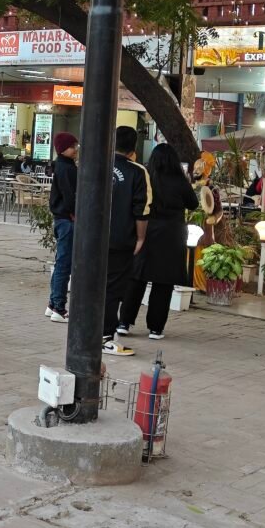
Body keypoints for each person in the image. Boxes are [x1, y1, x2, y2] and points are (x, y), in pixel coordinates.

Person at [118, 143, 199, 340]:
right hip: (172, 235)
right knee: (164, 282)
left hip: (146, 231)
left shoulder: (145, 176)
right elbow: (193, 203)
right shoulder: (180, 181)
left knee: (137, 278)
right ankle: (155, 328)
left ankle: (124, 322)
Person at [102, 126, 153, 357]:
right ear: (134, 147)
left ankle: (86, 331)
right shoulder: (137, 171)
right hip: (121, 238)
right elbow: (142, 209)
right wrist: (141, 238)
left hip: (91, 238)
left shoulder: (96, 163)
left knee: (92, 284)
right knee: (113, 288)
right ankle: (104, 337)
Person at [46, 132, 79, 323]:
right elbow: (70, 195)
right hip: (67, 220)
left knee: (61, 262)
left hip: (62, 218)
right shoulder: (67, 169)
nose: (75, 149)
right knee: (64, 264)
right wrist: (74, 212)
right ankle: (59, 306)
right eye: (72, 146)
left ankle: (52, 304)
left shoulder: (61, 166)